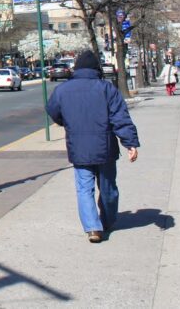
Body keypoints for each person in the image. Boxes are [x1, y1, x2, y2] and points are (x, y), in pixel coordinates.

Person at [46, 49, 140, 244]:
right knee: (108, 187)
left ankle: (93, 228)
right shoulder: (106, 88)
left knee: (84, 187)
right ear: (96, 69)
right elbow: (120, 118)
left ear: (77, 68)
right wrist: (130, 142)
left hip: (78, 146)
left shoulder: (62, 90)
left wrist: (67, 122)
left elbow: (53, 110)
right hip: (105, 147)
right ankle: (107, 220)